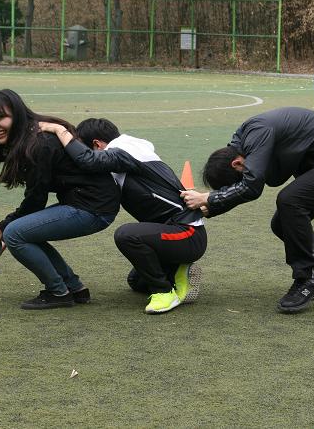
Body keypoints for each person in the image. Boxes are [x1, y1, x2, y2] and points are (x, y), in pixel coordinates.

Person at [180, 107, 314, 314]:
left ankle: (308, 279)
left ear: (236, 163)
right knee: (281, 223)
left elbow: (251, 186)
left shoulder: (257, 134)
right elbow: (245, 186)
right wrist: (211, 207)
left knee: (290, 201)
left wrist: (209, 198)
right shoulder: (244, 144)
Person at [39, 118, 207, 315]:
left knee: (127, 235)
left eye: (84, 147)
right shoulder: (129, 150)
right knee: (136, 281)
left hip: (187, 233)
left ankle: (164, 292)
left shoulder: (124, 149)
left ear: (97, 144)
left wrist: (59, 130)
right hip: (170, 233)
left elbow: (88, 160)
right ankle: (178, 270)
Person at [0, 89, 120, 310]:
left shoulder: (39, 143)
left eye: (1, 117)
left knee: (14, 233)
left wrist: (2, 228)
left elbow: (36, 199)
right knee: (24, 232)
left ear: (17, 115)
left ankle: (58, 292)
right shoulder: (31, 138)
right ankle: (74, 288)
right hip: (88, 203)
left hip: (93, 208)